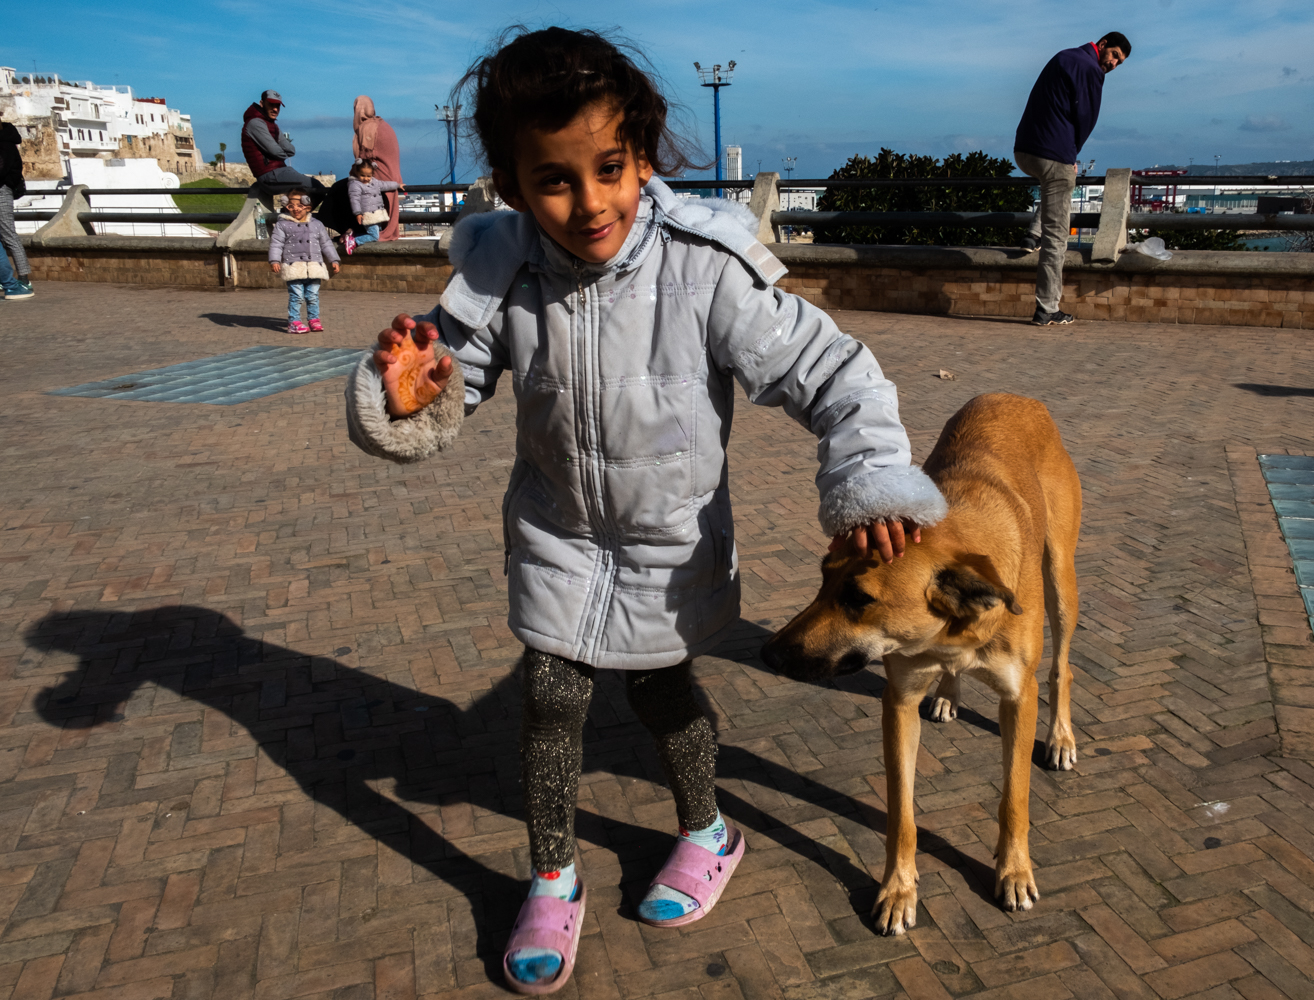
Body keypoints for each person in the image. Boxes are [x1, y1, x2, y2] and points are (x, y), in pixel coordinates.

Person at [343, 26, 948, 995]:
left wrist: (870, 475)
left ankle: (708, 831)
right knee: (551, 697)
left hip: (669, 540)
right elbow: (454, 374)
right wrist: (410, 393)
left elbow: (834, 372)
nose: (590, 205)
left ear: (643, 156)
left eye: (611, 169)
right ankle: (552, 876)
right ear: (511, 183)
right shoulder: (503, 270)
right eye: (554, 180)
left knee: (663, 696)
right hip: (558, 533)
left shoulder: (704, 266)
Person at [1014, 31, 1130, 326]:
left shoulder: (1065, 56)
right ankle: (1047, 308)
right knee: (1057, 239)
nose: (1114, 64)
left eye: (1119, 62)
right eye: (1114, 55)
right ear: (1102, 45)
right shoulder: (1091, 69)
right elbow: (1086, 117)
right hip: (1054, 153)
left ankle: (1032, 234)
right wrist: (1070, 154)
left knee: (1056, 187)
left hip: (1024, 150)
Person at [269, 189, 340, 334]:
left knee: (312, 296)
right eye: (291, 206)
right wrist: (274, 260)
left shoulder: (317, 224)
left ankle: (314, 319)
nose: (295, 209)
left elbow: (326, 243)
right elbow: (276, 244)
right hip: (293, 266)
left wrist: (334, 259)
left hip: (314, 266)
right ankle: (294, 322)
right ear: (286, 206)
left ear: (307, 207)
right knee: (297, 296)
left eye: (299, 205)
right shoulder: (282, 225)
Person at [241, 90, 326, 203]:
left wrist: (277, 151)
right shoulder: (255, 123)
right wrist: (277, 151)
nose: (275, 109)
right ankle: (295, 214)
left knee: (315, 189)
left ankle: (292, 212)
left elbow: (291, 150)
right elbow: (276, 152)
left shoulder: (272, 125)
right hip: (269, 176)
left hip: (279, 172)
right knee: (317, 187)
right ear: (262, 103)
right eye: (271, 104)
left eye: (277, 106)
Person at [352, 96, 403, 241]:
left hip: (378, 174)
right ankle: (382, 233)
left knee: (349, 191)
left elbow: (365, 155)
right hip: (392, 174)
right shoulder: (382, 124)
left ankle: (357, 237)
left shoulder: (367, 127)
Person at [0, 119, 33, 301]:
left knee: (9, 235)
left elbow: (3, 170)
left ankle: (24, 278)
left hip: (2, 192)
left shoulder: (5, 143)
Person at [342, 159, 404, 254]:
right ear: (357, 173)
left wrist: (397, 185)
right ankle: (354, 241)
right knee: (374, 236)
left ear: (372, 175)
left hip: (376, 214)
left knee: (375, 232)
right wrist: (357, 213)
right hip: (368, 214)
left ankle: (350, 236)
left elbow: (385, 185)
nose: (366, 178)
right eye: (362, 175)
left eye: (368, 176)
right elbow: (354, 200)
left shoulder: (374, 182)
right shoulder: (355, 185)